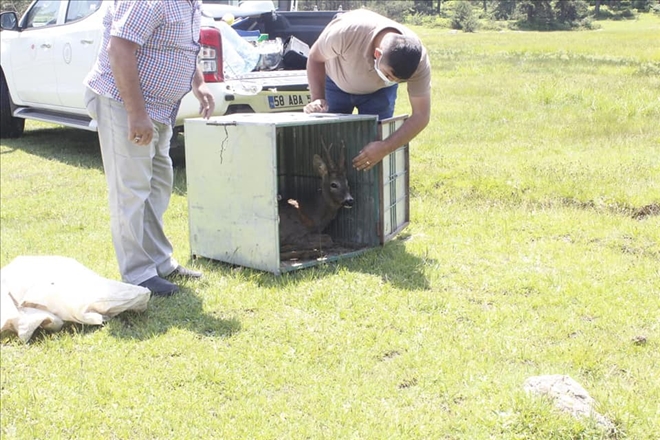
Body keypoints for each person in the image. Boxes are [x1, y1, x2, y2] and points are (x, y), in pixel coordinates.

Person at [84, 1, 215, 297]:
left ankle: (160, 262)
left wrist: (199, 82)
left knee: (157, 186)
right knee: (131, 189)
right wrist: (137, 114)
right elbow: (119, 51)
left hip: (160, 108)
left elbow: (178, 47)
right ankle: (138, 274)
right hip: (123, 103)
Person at [304, 8, 431, 172]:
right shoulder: (346, 32)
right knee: (329, 143)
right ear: (377, 54)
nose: (393, 81)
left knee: (372, 152)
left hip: (379, 94)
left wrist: (385, 147)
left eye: (400, 81)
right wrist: (318, 98)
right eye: (389, 75)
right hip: (336, 83)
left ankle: (365, 194)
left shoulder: (417, 60)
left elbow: (421, 115)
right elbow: (315, 58)